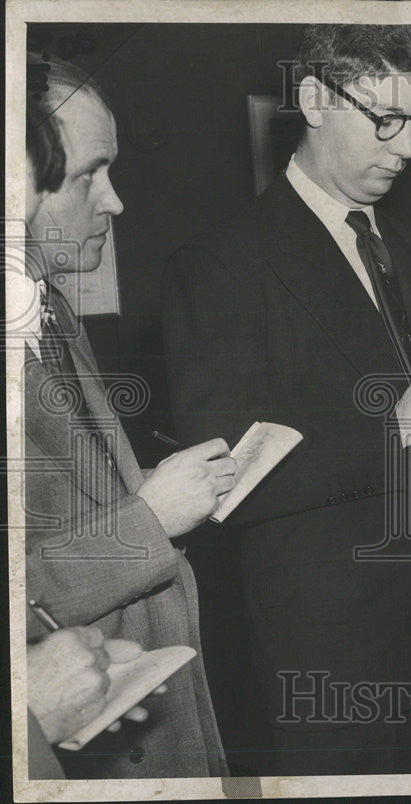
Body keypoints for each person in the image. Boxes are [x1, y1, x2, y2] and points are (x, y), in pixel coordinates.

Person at [162, 24, 411, 775]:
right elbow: (229, 475)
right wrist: (397, 424)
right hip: (336, 668)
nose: (408, 148)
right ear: (315, 99)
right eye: (385, 121)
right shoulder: (221, 264)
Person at [20, 54, 236, 779]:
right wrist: (149, 519)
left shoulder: (48, 310)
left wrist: (153, 485)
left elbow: (57, 506)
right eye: (89, 174)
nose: (114, 203)